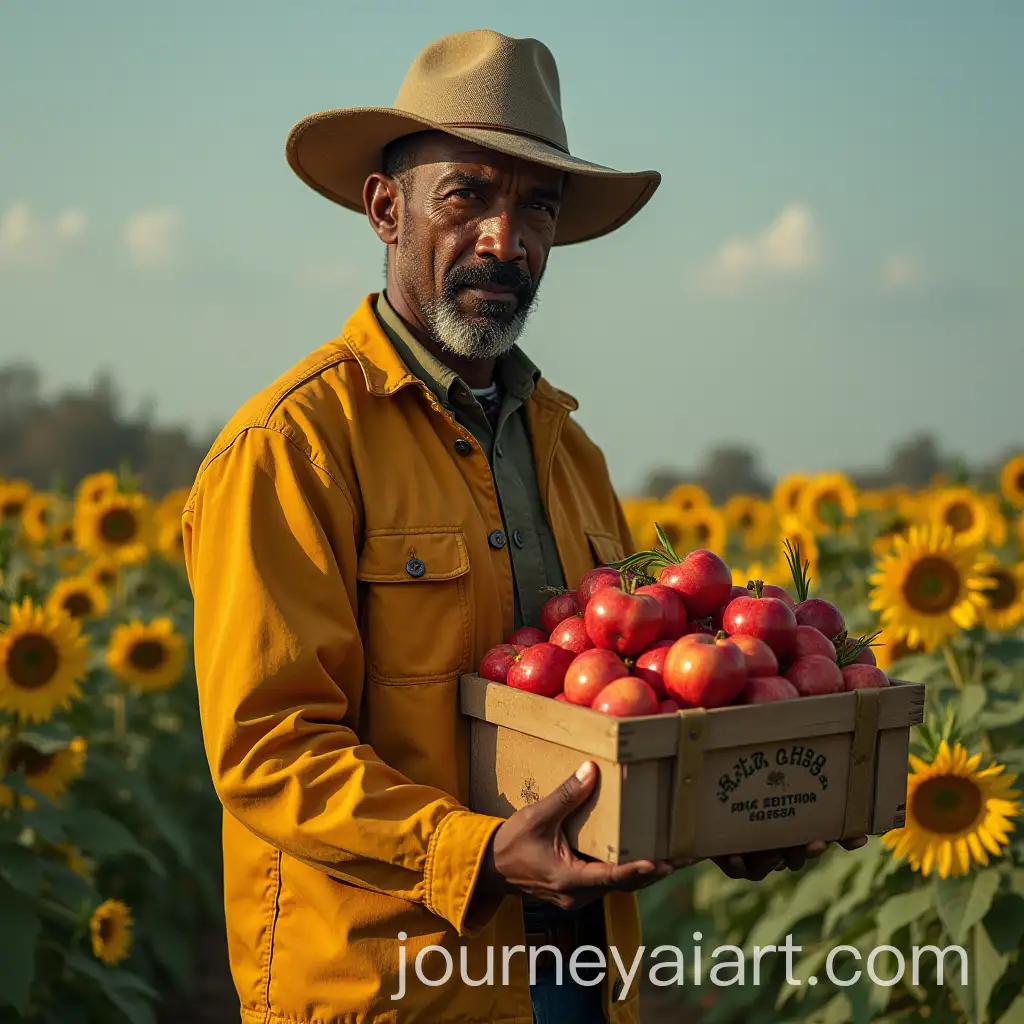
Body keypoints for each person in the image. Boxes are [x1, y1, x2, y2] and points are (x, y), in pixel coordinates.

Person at [182, 28, 864, 1024]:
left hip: (577, 973)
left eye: (536, 205)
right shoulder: (293, 445)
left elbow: (613, 726)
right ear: (385, 208)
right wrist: (478, 853)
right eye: (467, 195)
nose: (508, 239)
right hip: (393, 988)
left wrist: (734, 814)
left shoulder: (565, 449)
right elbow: (268, 746)